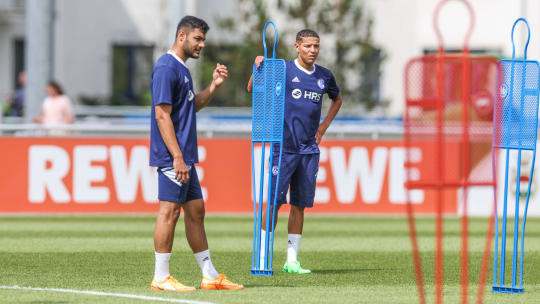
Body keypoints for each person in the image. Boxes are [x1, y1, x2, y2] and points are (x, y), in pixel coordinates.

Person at [149, 16, 243, 291]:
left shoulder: (183, 69)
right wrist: (176, 156)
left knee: (196, 211)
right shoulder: (166, 68)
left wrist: (213, 86)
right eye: (197, 39)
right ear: (181, 36)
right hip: (172, 156)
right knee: (169, 212)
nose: (202, 44)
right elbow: (161, 115)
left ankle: (210, 276)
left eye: (203, 39)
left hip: (185, 156)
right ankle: (161, 276)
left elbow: (192, 106)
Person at [246, 29, 343, 274]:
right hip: (284, 146)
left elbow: (337, 99)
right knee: (274, 203)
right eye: (308, 46)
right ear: (296, 46)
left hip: (309, 149)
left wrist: (323, 127)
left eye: (316, 46)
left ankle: (291, 261)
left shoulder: (324, 76)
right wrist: (257, 67)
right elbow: (252, 88)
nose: (313, 50)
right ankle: (262, 255)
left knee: (299, 205)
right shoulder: (284, 70)